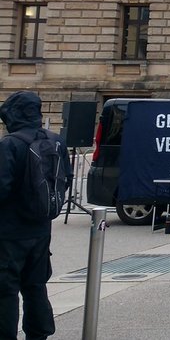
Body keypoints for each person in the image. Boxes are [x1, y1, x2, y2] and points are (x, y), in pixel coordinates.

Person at [0, 91, 69, 340]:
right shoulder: (56, 141)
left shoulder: (10, 144)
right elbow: (65, 181)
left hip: (9, 232)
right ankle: (39, 335)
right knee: (36, 286)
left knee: (5, 291)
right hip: (41, 230)